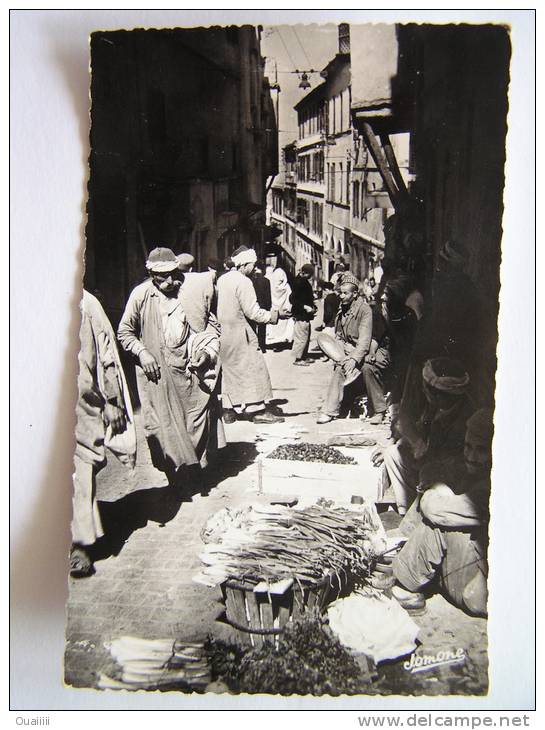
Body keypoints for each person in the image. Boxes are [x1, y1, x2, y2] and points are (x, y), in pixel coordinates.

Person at [118, 247, 225, 488]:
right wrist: (142, 353)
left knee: (197, 420)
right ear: (150, 273)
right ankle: (174, 478)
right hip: (156, 374)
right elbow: (124, 331)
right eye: (161, 276)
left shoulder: (190, 292)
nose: (168, 281)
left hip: (188, 370)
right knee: (162, 428)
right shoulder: (141, 295)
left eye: (172, 274)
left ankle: (192, 470)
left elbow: (212, 327)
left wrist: (206, 352)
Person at [390, 408, 493, 617]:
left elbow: (437, 512)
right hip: (476, 571)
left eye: (481, 450)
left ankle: (405, 586)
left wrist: (435, 491)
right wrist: (437, 485)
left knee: (438, 523)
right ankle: (397, 550)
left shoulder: (497, 487)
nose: (471, 456)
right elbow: (434, 468)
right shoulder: (479, 468)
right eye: (468, 447)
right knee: (439, 494)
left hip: (483, 593)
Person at [71, 290, 136, 577]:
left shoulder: (86, 304)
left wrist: (112, 400)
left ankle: (79, 546)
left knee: (79, 475)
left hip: (81, 405)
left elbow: (106, 355)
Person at [373, 357, 474, 515]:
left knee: (433, 482)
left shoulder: (467, 419)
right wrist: (402, 444)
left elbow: (463, 463)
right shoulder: (437, 406)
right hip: (432, 464)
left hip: (454, 478)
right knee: (393, 453)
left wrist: (432, 468)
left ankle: (423, 512)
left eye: (426, 388)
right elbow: (421, 431)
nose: (423, 391)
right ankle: (406, 510)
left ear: (437, 394)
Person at [216, 246, 285, 424]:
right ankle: (257, 410)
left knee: (229, 371)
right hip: (241, 332)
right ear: (244, 264)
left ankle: (228, 411)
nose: (254, 269)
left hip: (223, 332)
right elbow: (253, 312)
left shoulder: (223, 279)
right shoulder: (244, 282)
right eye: (252, 265)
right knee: (254, 368)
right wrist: (275, 316)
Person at [317, 276, 389, 424]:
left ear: (355, 294)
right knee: (340, 369)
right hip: (352, 350)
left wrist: (354, 359)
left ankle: (379, 410)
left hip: (369, 351)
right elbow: (340, 336)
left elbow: (365, 340)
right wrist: (341, 353)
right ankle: (329, 410)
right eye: (341, 293)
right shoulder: (342, 308)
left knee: (367, 368)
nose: (341, 296)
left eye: (345, 293)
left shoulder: (365, 311)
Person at [290, 263, 316, 366]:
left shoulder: (302, 281)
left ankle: (303, 356)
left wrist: (312, 307)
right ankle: (298, 359)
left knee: (306, 336)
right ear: (305, 273)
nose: (311, 276)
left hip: (305, 314)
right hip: (301, 314)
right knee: (301, 337)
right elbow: (292, 299)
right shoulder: (299, 282)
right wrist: (305, 307)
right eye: (310, 274)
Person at [266, 267, 294, 349]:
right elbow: (290, 299)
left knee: (275, 328)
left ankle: (274, 343)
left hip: (275, 312)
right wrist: (289, 309)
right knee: (283, 328)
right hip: (284, 312)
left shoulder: (271, 285)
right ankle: (282, 343)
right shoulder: (287, 287)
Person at [250, 261, 272, 353]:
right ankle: (263, 346)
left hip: (254, 305)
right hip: (263, 306)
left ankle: (254, 345)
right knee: (262, 327)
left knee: (253, 326)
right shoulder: (266, 281)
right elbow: (268, 296)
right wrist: (268, 307)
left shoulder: (251, 280)